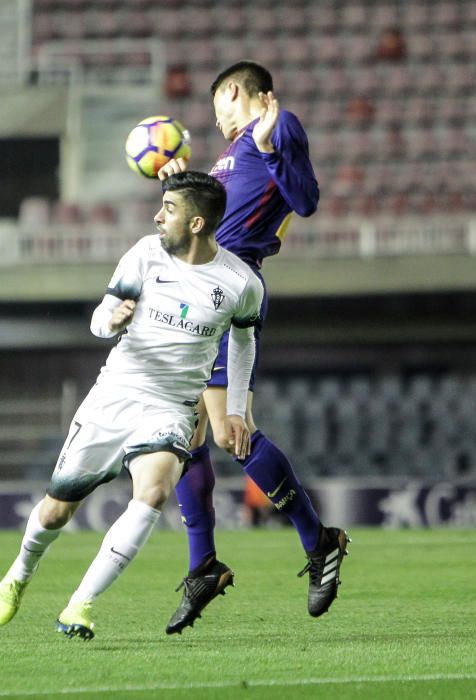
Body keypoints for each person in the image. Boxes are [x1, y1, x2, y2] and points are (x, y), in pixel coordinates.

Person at [0, 171, 263, 639]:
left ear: (197, 223)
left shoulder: (240, 282)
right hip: (115, 395)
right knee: (56, 511)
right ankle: (20, 571)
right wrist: (111, 321)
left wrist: (235, 407)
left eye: (169, 209)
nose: (158, 216)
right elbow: (100, 317)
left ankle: (80, 604)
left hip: (172, 407)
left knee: (153, 494)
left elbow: (243, 344)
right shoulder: (144, 254)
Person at [156, 61, 349, 633]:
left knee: (227, 430)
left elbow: (306, 200)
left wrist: (267, 146)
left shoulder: (277, 125)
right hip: (199, 286)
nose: (215, 116)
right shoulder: (230, 155)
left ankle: (319, 542)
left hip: (230, 285)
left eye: (217, 103)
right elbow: (211, 221)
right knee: (186, 429)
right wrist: (180, 183)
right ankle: (204, 565)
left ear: (233, 91)